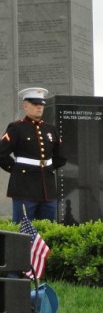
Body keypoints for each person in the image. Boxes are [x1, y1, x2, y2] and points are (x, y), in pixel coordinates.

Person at [0, 87, 66, 222]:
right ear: (25, 106)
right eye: (35, 104)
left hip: (47, 189)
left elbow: (60, 157)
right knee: (23, 230)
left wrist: (47, 168)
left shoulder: (50, 129)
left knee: (47, 231)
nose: (39, 107)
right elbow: (1, 154)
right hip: (24, 188)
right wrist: (16, 169)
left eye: (41, 104)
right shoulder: (16, 128)